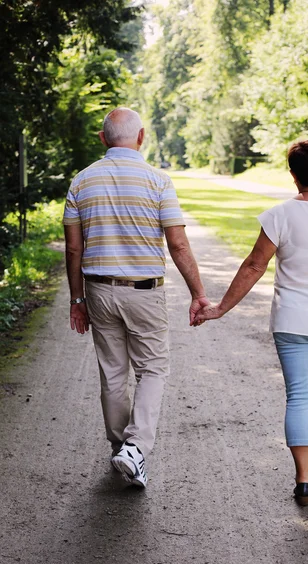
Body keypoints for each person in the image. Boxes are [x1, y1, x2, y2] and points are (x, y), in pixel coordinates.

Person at [194, 139, 308, 506]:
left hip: (293, 321)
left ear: (293, 175)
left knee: (300, 396)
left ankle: (304, 477)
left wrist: (220, 308)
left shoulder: (279, 215)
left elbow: (254, 266)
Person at [64, 107, 209, 488]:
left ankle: (121, 450)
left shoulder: (81, 181)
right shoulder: (157, 181)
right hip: (144, 292)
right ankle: (136, 448)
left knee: (113, 373)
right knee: (153, 369)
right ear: (141, 137)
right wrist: (198, 294)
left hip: (97, 289)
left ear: (103, 139)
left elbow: (73, 249)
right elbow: (177, 244)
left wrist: (76, 300)